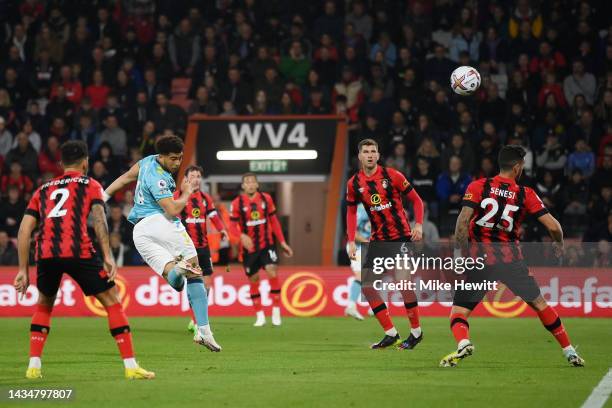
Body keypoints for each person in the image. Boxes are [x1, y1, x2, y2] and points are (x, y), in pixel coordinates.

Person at [13, 140, 154, 379]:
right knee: (112, 301)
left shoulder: (43, 189)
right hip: (78, 250)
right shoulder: (90, 184)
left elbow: (24, 230)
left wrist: (22, 270)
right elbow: (99, 220)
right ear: (86, 162)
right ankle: (131, 368)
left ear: (61, 163)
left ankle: (33, 366)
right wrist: (108, 255)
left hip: (47, 253)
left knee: (44, 305)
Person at [440, 145, 584, 367]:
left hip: (481, 262)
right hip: (511, 262)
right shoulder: (526, 194)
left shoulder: (478, 186)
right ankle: (569, 351)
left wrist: (460, 253)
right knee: (539, 304)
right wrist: (559, 243)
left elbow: (462, 221)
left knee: (458, 312)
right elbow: (553, 226)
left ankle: (463, 343)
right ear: (517, 168)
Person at [103, 135, 221, 351]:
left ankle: (178, 270)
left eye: (180, 158)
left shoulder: (147, 161)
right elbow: (173, 209)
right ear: (163, 156)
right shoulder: (158, 179)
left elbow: (125, 178)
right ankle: (204, 332)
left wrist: (102, 197)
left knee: (175, 280)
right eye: (174, 159)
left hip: (139, 232)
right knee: (196, 272)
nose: (177, 163)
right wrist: (186, 193)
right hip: (162, 223)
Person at [346, 138, 425, 350]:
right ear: (360, 156)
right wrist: (351, 239)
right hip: (378, 240)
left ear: (378, 155)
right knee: (368, 286)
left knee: (403, 284)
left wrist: (418, 225)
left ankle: (416, 332)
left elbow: (417, 200)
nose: (370, 155)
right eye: (366, 151)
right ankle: (390, 333)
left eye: (373, 151)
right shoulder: (354, 183)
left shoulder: (393, 176)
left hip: (400, 237)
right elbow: (351, 212)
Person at [230, 173, 293, 327]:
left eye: (253, 182)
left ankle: (276, 312)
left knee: (272, 271)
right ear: (243, 186)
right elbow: (231, 226)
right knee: (254, 280)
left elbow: (274, 221)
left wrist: (283, 242)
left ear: (257, 185)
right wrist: (241, 236)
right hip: (249, 249)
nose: (250, 184)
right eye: (247, 182)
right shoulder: (237, 203)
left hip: (267, 245)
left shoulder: (266, 199)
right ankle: (260, 315)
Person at [175, 165, 229, 333]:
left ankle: (198, 320)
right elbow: (171, 218)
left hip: (203, 247)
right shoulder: (178, 196)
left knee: (207, 285)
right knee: (193, 284)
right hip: (186, 248)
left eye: (199, 176)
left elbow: (213, 216)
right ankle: (197, 322)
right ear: (186, 178)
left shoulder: (205, 198)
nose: (196, 179)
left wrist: (222, 230)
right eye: (193, 175)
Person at [345, 203, 370, 321]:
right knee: (360, 274)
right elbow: (351, 232)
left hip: (368, 248)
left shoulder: (378, 208)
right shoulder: (360, 210)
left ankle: (375, 308)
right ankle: (351, 306)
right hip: (356, 247)